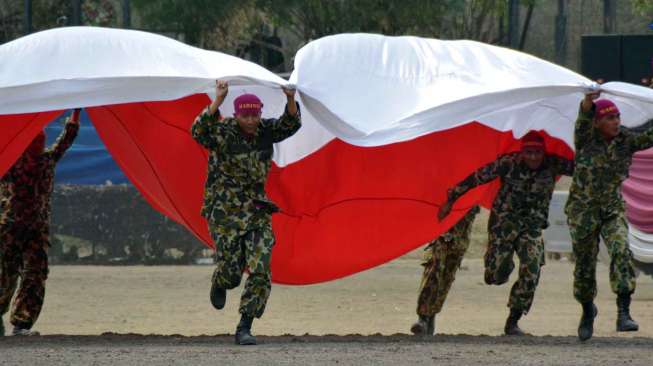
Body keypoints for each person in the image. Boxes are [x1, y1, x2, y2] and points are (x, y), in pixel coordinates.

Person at [191, 80, 300, 345]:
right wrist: (218, 99)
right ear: (236, 114)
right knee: (231, 271)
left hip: (256, 210)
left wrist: (289, 98)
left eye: (255, 114)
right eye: (245, 115)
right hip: (224, 211)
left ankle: (244, 326)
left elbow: (290, 124)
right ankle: (221, 280)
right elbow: (198, 131)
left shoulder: (265, 130)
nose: (251, 120)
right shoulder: (222, 131)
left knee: (260, 269)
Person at [438, 131, 574, 335]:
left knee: (532, 268)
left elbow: (585, 168)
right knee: (495, 276)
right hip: (504, 224)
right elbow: (477, 177)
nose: (534, 157)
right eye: (529, 152)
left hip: (532, 227)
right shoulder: (508, 163)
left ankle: (513, 320)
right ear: (522, 152)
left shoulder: (553, 164)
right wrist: (451, 199)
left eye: (538, 152)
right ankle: (501, 263)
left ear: (543, 152)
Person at [566, 94, 653, 341]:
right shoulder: (585, 139)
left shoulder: (625, 139)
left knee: (621, 250)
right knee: (584, 264)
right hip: (583, 211)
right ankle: (586, 309)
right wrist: (587, 103)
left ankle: (623, 312)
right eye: (609, 118)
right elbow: (583, 118)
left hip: (612, 208)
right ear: (596, 122)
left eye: (617, 117)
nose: (616, 122)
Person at [0, 109, 80, 336]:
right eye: (37, 140)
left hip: (30, 230)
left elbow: (66, 139)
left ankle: (21, 324)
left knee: (34, 275)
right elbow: (66, 140)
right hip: (12, 229)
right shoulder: (12, 164)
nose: (40, 143)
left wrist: (76, 112)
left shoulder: (44, 161)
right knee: (6, 275)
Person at [411, 205, 479, 336]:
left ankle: (430, 317)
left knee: (446, 278)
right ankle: (423, 317)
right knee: (434, 269)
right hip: (441, 226)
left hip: (461, 231)